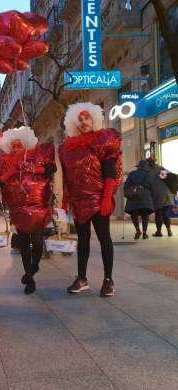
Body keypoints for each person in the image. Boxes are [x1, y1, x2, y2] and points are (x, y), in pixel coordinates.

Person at [59, 102, 122, 297]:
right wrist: (65, 201)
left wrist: (106, 198)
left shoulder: (104, 140)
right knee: (83, 240)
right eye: (80, 119)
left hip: (98, 201)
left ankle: (108, 280)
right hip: (78, 203)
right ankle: (82, 278)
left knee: (104, 239)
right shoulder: (67, 147)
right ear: (74, 123)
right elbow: (68, 177)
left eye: (87, 118)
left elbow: (110, 171)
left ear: (93, 119)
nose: (84, 122)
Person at [0, 126, 57, 294]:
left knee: (37, 244)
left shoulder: (35, 157)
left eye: (19, 144)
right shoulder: (3, 162)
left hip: (37, 209)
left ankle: (34, 267)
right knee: (23, 244)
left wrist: (36, 169)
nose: (16, 147)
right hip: (18, 211)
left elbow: (52, 168)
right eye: (12, 145)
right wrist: (10, 172)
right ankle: (29, 279)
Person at [124, 160, 155, 239]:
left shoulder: (132, 174)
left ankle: (138, 230)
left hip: (133, 196)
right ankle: (145, 234)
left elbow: (126, 185)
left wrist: (127, 192)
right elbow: (153, 188)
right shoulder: (149, 175)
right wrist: (152, 198)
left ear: (138, 167)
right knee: (145, 216)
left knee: (134, 215)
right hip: (145, 196)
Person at [146, 156, 174, 237]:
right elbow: (169, 176)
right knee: (165, 212)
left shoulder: (148, 171)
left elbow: (148, 183)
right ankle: (169, 231)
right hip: (167, 193)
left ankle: (159, 232)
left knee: (158, 213)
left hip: (157, 194)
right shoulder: (161, 168)